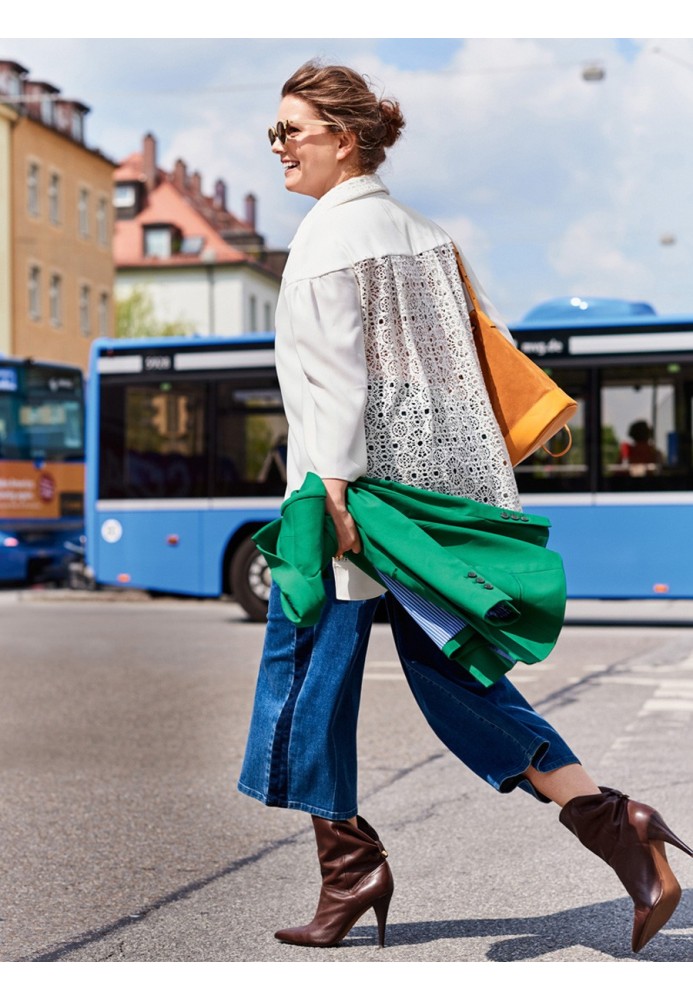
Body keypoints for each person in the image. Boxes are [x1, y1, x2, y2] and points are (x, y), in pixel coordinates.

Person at [237, 61, 692, 952]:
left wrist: (327, 497)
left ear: (345, 136)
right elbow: (477, 366)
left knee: (299, 684)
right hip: (440, 508)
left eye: (291, 130)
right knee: (458, 680)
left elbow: (335, 384)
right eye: (274, 132)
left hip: (355, 504)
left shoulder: (323, 245)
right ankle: (614, 824)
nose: (279, 148)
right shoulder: (429, 235)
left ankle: (352, 867)